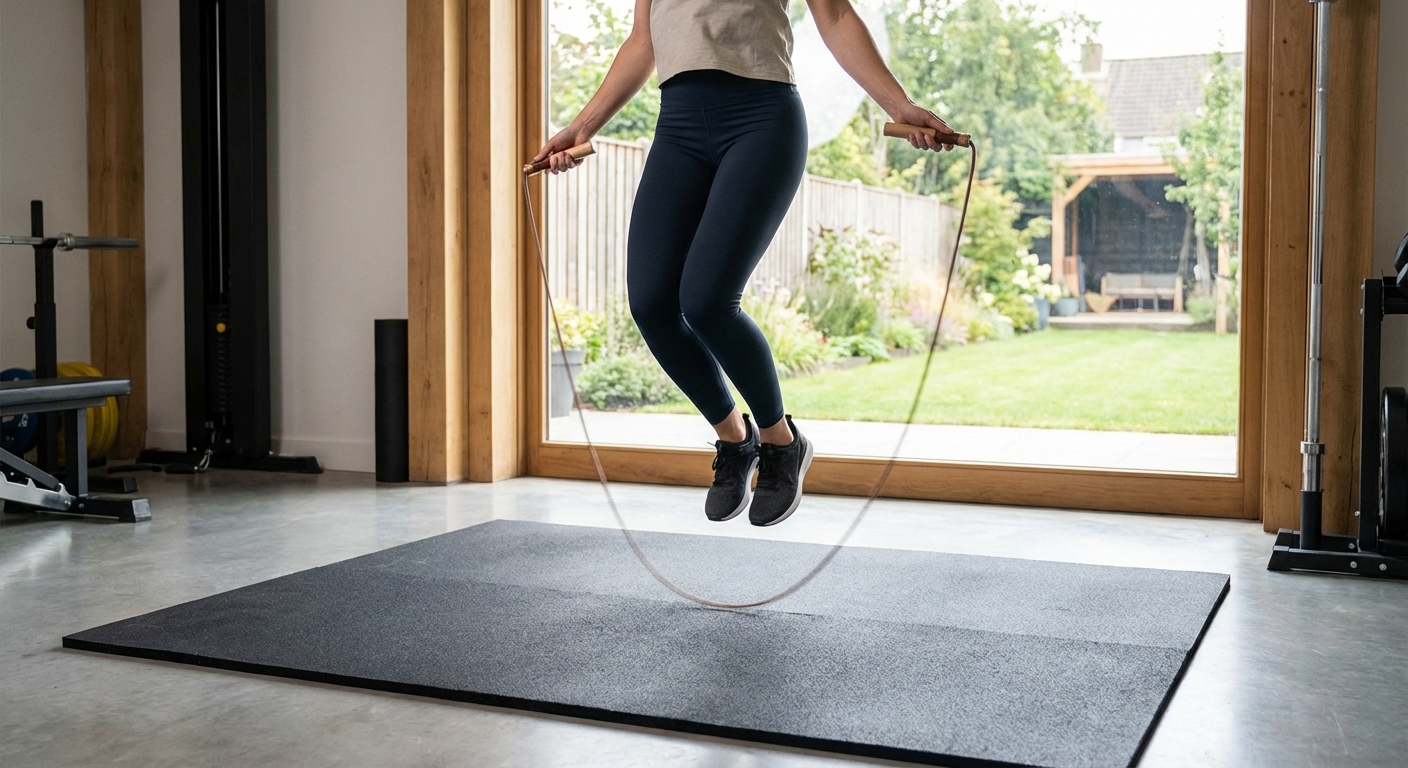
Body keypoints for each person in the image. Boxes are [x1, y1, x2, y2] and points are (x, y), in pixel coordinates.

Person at [532, 0, 957, 527]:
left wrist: (900, 104)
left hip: (761, 117)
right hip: (679, 125)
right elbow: (643, 40)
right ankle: (735, 439)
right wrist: (581, 126)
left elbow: (835, 17)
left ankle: (783, 443)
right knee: (651, 302)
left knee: (707, 300)